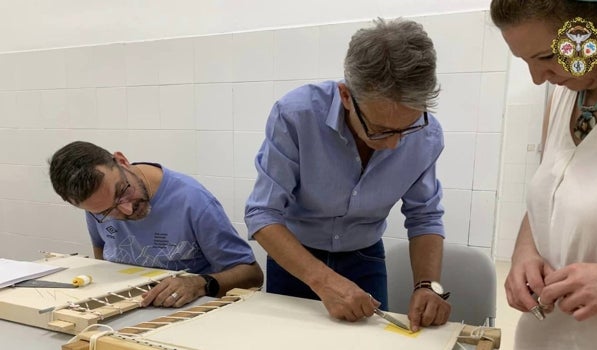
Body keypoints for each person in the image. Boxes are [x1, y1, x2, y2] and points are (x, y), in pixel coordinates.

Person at [245, 18, 450, 332]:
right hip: (296, 261)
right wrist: (323, 281)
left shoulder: (427, 136)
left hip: (364, 257)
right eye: (380, 130)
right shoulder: (295, 116)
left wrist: (427, 285)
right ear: (345, 96)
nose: (395, 144)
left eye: (406, 129)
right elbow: (263, 213)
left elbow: (425, 216)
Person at [490, 0, 597, 348]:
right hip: (544, 337)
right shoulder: (565, 98)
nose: (538, 80)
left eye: (548, 57)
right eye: (526, 62)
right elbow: (549, 198)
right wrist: (525, 252)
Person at [49, 141, 264, 308]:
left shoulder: (192, 200)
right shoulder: (97, 206)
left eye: (123, 192)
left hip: (187, 317)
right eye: (107, 211)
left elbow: (252, 276)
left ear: (122, 161)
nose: (126, 210)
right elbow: (103, 256)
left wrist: (200, 284)